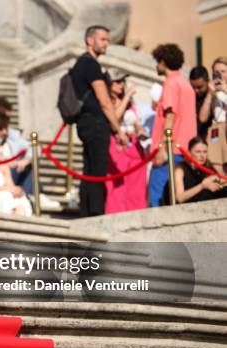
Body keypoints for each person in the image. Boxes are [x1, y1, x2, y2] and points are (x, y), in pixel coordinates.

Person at [71, 25, 128, 217]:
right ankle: (95, 214)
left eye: (107, 40)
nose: (106, 43)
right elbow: (104, 101)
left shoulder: (80, 63)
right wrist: (118, 130)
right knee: (97, 170)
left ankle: (86, 212)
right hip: (95, 123)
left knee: (89, 168)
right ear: (90, 40)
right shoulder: (90, 64)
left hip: (85, 122)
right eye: (102, 39)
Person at [148, 44, 196, 207]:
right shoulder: (184, 83)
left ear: (163, 62)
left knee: (157, 196)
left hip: (171, 149)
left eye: (157, 61)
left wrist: (162, 148)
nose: (156, 65)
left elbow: (170, 116)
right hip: (184, 148)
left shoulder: (170, 84)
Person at [104, 68, 148, 213]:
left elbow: (135, 120)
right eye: (117, 82)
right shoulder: (107, 100)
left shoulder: (129, 102)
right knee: (118, 189)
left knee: (136, 188)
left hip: (134, 147)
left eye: (122, 81)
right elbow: (114, 118)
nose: (121, 85)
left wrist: (140, 130)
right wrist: (127, 96)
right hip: (117, 147)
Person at [0, 112, 33, 216]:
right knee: (5, 196)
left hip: (4, 193)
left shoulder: (2, 162)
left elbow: (10, 184)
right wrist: (8, 189)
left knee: (20, 198)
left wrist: (16, 190)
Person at [162, 137, 226, 204]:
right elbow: (180, 198)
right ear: (189, 153)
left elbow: (221, 182)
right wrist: (202, 186)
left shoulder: (207, 166)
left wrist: (219, 181)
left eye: (205, 152)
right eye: (198, 152)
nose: (202, 156)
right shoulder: (180, 170)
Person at [199, 57, 227, 175]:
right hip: (217, 129)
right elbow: (202, 118)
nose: (219, 74)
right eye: (216, 72)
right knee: (215, 164)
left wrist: (225, 89)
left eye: (223, 71)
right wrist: (210, 95)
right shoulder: (213, 91)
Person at [189, 65, 214, 139]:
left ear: (208, 82)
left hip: (212, 138)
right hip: (196, 140)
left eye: (200, 87)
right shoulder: (190, 96)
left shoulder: (215, 96)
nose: (196, 90)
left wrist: (210, 94)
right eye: (193, 87)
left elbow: (203, 119)